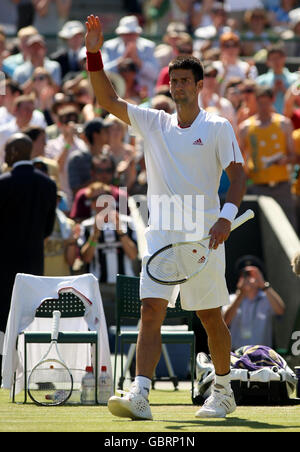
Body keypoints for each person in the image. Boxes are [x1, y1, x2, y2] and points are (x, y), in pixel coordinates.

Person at [85, 14, 247, 420]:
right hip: (162, 234)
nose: (176, 87)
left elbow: (238, 176)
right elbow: (106, 100)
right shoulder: (154, 121)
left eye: (183, 81)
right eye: (172, 81)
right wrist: (93, 52)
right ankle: (141, 394)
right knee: (151, 310)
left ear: (198, 85)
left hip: (204, 234)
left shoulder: (217, 126)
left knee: (209, 316)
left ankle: (224, 392)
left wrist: (226, 216)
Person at [0, 132, 56, 385]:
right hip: (34, 263)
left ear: (12, 154)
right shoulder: (48, 184)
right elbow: (47, 228)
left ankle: (5, 370)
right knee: (31, 318)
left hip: (4, 263)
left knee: (3, 318)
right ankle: (34, 371)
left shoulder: (3, 183)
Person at [239, 85, 296, 226]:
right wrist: (246, 174)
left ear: (272, 101)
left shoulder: (284, 124)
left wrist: (285, 160)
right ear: (255, 102)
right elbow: (238, 157)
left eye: (266, 102)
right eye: (260, 102)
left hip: (282, 185)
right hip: (258, 187)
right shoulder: (246, 127)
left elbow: (294, 156)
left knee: (289, 226)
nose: (263, 106)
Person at [223, 255, 285, 349]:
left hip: (262, 354)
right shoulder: (231, 299)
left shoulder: (267, 298)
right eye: (246, 275)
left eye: (253, 275)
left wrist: (263, 285)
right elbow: (224, 323)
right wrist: (241, 294)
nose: (249, 279)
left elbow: (281, 310)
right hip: (237, 354)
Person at [101, 15, 159, 98]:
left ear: (137, 34)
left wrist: (137, 60)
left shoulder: (148, 46)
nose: (129, 37)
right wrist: (122, 60)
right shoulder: (109, 46)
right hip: (116, 94)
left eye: (132, 34)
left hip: (144, 95)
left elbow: (155, 74)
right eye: (126, 34)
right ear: (120, 34)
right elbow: (103, 72)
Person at [255, 43, 298, 114]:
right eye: (273, 59)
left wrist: (286, 91)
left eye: (279, 58)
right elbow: (257, 104)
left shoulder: (296, 79)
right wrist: (272, 92)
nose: (276, 61)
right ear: (267, 62)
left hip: (292, 120)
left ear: (284, 58)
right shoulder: (260, 81)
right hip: (269, 121)